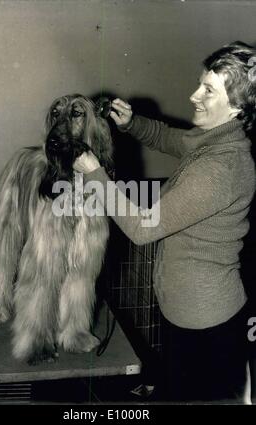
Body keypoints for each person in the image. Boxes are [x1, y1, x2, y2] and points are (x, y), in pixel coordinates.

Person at [73, 41, 256, 403]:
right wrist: (132, 124)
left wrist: (95, 175)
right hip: (187, 312)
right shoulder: (217, 139)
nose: (193, 95)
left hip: (206, 323)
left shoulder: (222, 168)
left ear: (237, 107)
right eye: (200, 84)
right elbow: (173, 139)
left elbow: (143, 228)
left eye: (208, 90)